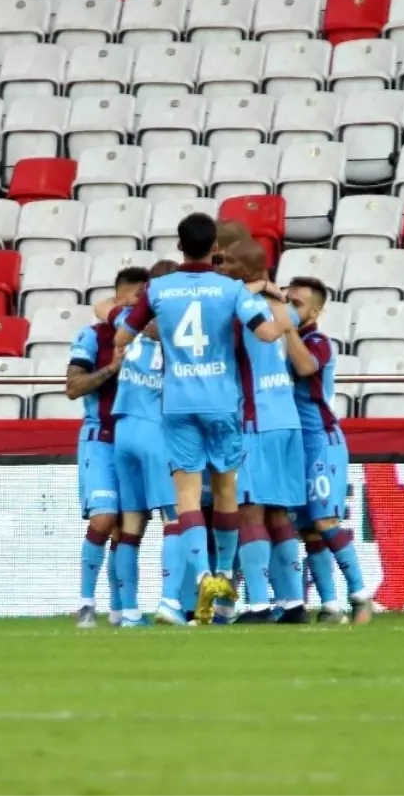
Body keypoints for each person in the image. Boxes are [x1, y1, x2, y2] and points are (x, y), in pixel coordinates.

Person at [113, 213, 283, 626]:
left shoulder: (158, 289)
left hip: (177, 403)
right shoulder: (229, 289)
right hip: (221, 400)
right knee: (226, 489)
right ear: (215, 249)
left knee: (186, 496)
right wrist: (264, 298)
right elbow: (266, 333)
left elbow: (122, 337)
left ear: (179, 244)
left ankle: (203, 576)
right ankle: (224, 578)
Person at [220, 240, 308, 625]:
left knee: (248, 511)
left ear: (245, 269)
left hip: (254, 420)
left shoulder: (239, 309)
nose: (221, 268)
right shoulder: (282, 308)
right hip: (287, 419)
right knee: (278, 512)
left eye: (228, 263)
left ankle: (256, 604)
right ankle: (292, 602)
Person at [283, 276, 372, 626]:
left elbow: (306, 368)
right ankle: (331, 605)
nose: (290, 308)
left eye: (297, 304)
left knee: (325, 520)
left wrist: (286, 327)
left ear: (316, 310)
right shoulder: (284, 342)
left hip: (321, 439)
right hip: (293, 444)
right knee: (307, 529)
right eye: (287, 301)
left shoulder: (317, 341)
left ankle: (361, 596)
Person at [67, 267, 147, 628]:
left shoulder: (154, 340)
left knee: (129, 526)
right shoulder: (93, 336)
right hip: (100, 438)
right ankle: (85, 602)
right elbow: (73, 386)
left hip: (137, 439)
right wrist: (113, 369)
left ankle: (121, 609)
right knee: (104, 517)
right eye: (137, 299)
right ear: (118, 301)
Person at [110, 260, 178, 628]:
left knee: (131, 522)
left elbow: (108, 309)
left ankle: (129, 612)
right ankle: (170, 603)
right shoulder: (175, 337)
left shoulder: (128, 326)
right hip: (155, 431)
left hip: (124, 430)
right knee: (175, 519)